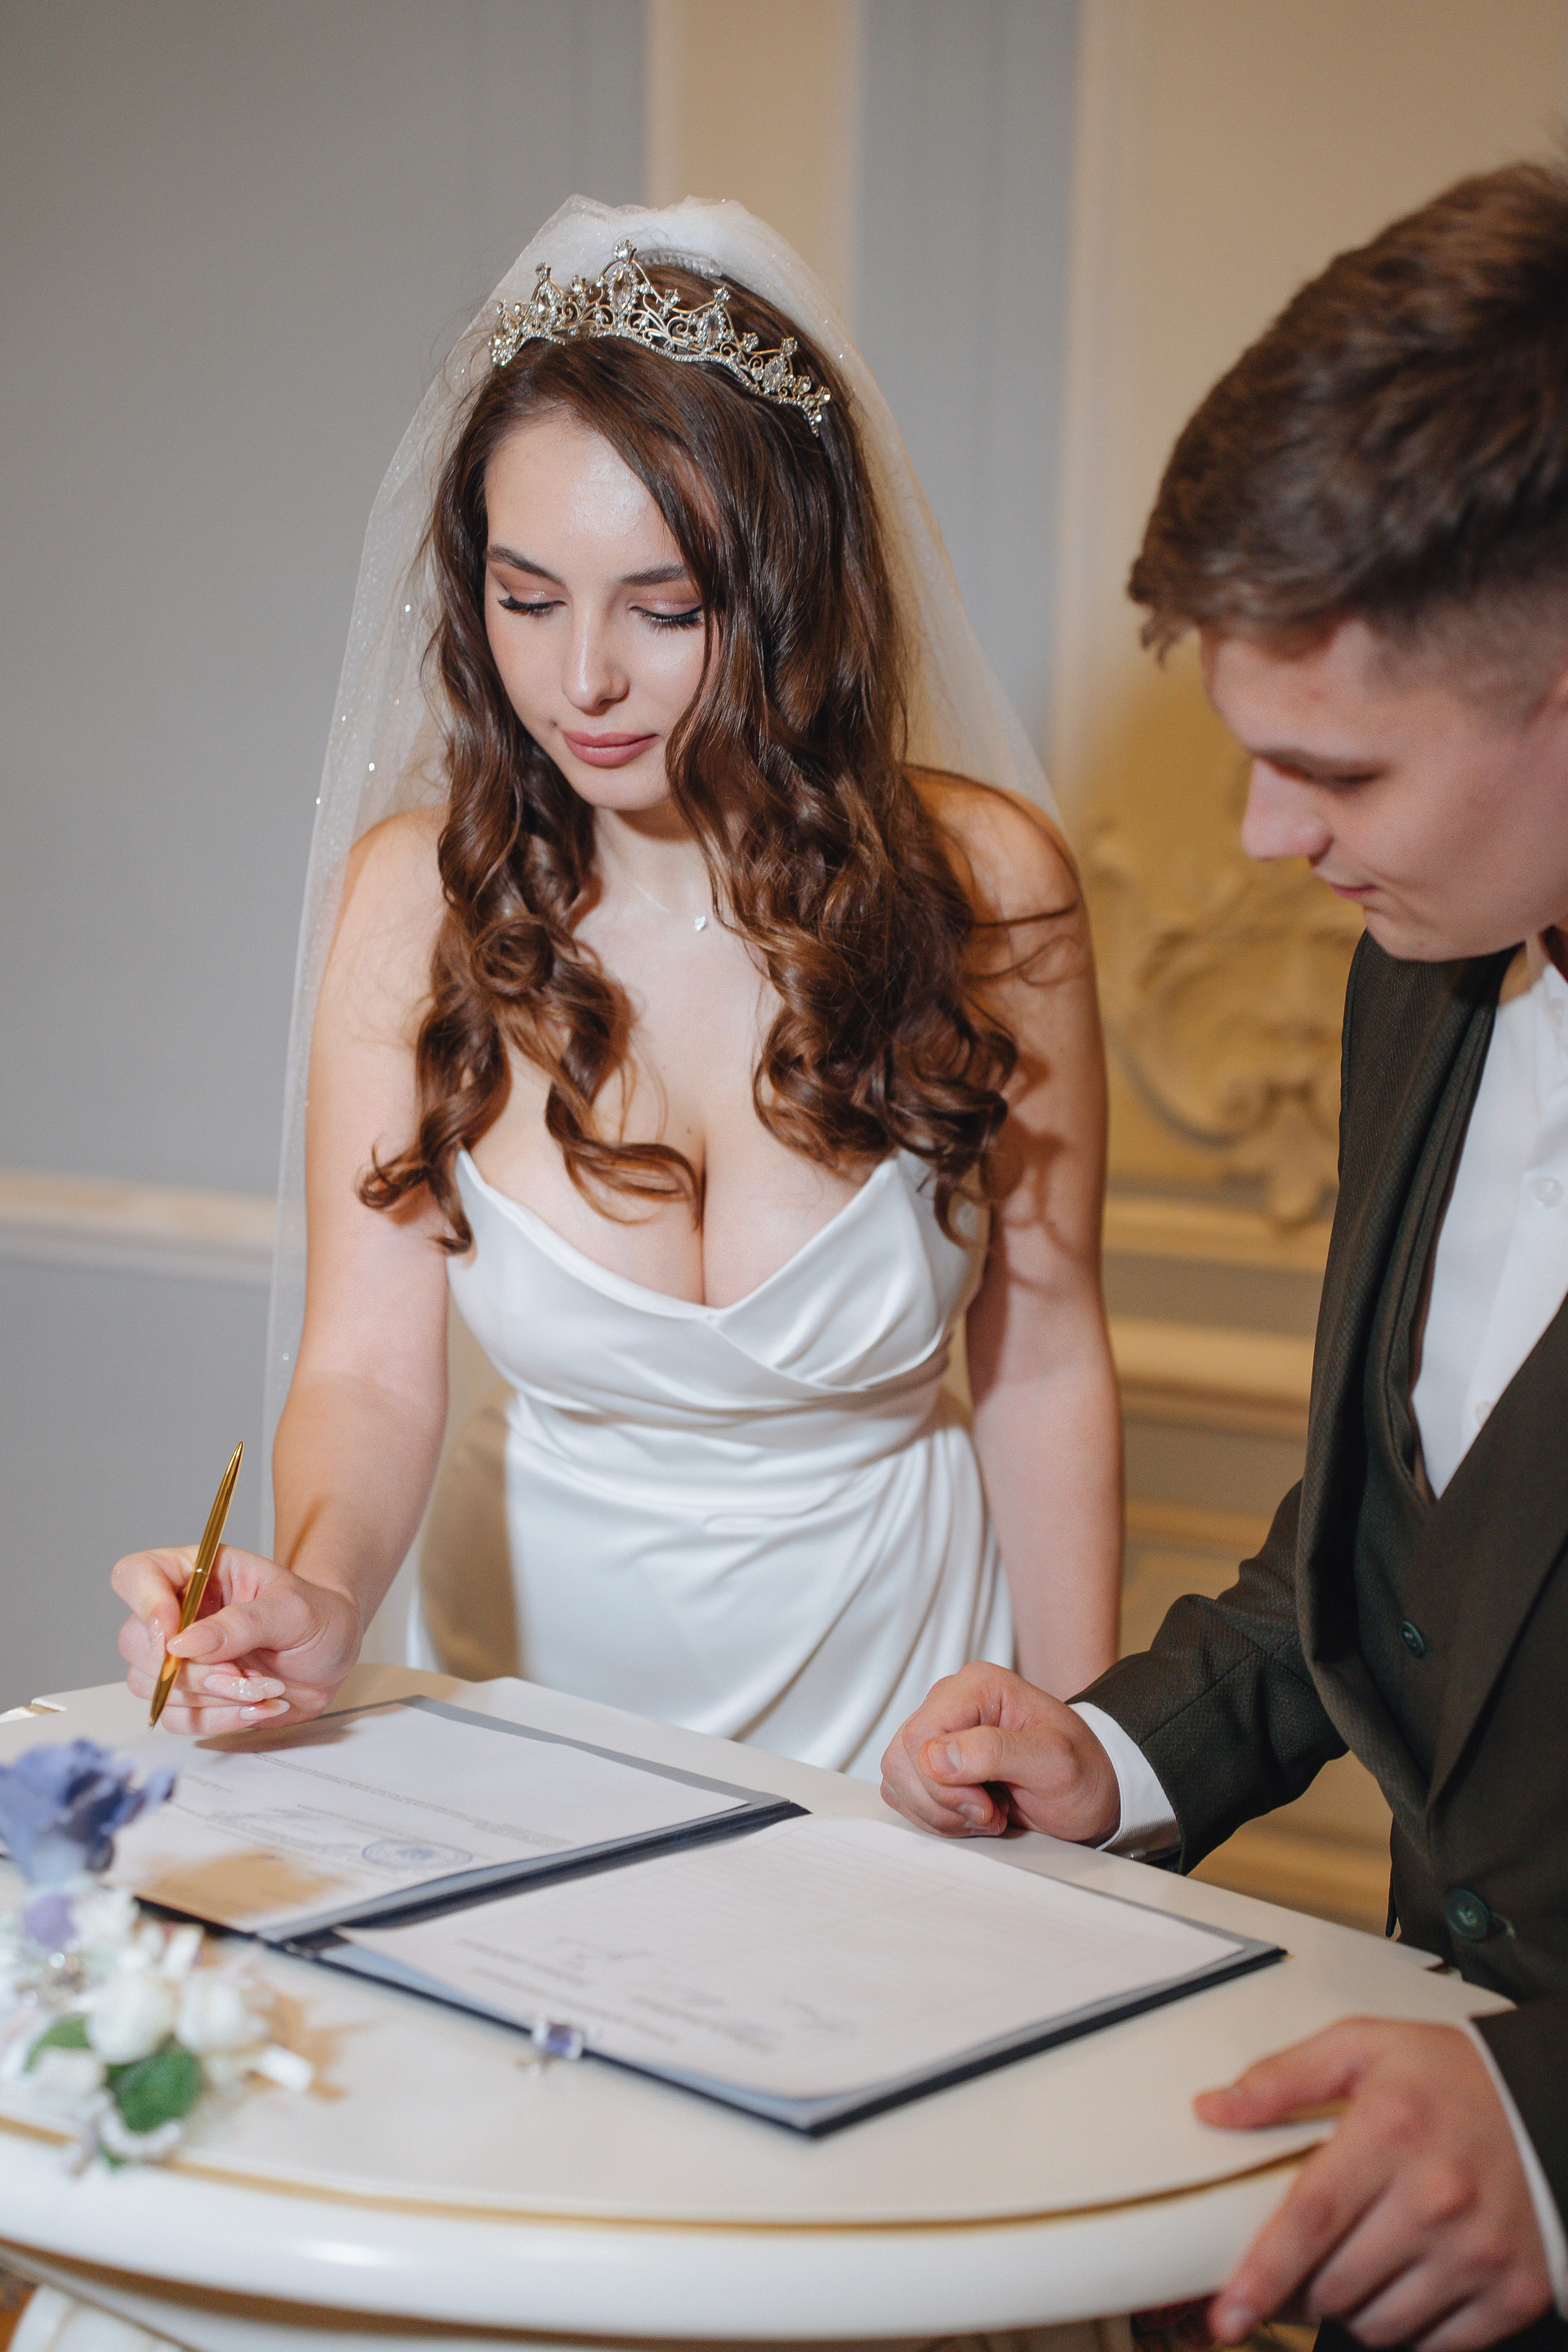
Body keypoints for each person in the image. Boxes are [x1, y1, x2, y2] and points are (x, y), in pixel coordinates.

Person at [111, 198, 1121, 1781]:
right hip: (527, 1704)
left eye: (665, 609)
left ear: (792, 590)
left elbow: (1045, 1358)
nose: (582, 677)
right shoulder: (417, 901)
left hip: (909, 1691)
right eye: (527, 598)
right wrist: (316, 1593)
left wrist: (1092, 1770)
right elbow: (368, 1368)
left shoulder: (987, 888)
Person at [883, 158, 1568, 2352]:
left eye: (1332, 770)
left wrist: (1556, 2139)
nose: (1267, 841)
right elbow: (1407, 1554)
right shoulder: (1422, 975)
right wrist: (1129, 1756)